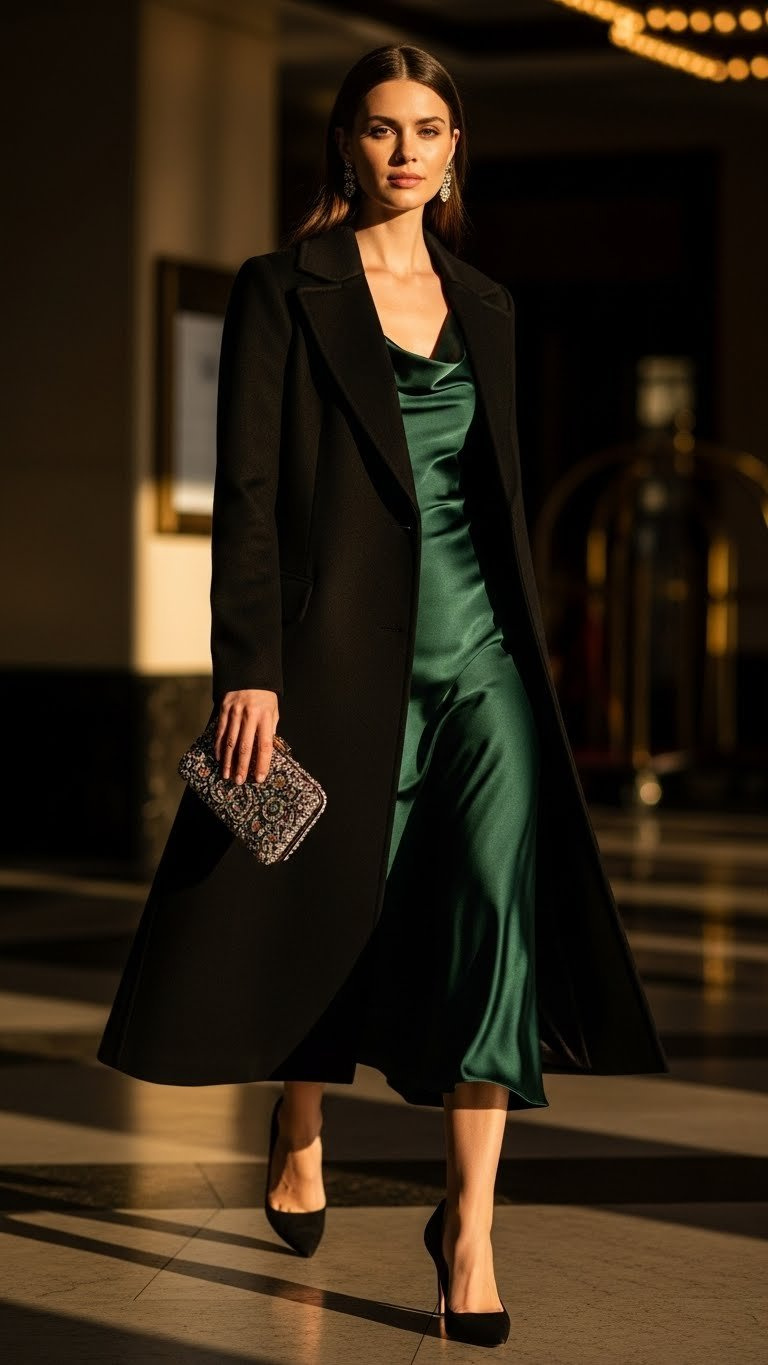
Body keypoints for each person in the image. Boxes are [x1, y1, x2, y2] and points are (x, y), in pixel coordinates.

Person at [98, 42, 668, 1349]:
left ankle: (468, 1231)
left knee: (492, 921)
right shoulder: (282, 288)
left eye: (427, 128)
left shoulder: (489, 305)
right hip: (337, 664)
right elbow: (247, 494)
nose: (404, 151)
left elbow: (492, 497)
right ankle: (299, 1115)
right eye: (378, 127)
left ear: (456, 149)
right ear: (345, 145)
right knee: (325, 896)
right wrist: (249, 664)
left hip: (486, 666)